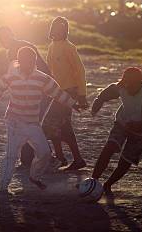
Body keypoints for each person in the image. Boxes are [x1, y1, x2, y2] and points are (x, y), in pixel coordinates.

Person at [0, 46, 80, 195]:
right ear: (19, 61)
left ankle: (34, 176)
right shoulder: (10, 77)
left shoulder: (42, 78)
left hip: (33, 124)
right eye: (26, 60)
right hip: (14, 122)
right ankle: (2, 189)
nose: (30, 63)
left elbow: (57, 93)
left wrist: (73, 104)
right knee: (11, 155)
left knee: (45, 153)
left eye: (32, 60)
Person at [90, 67, 142, 194]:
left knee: (126, 161)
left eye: (133, 85)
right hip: (122, 123)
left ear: (140, 83)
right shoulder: (120, 87)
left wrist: (140, 126)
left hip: (141, 130)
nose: (129, 88)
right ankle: (93, 180)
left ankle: (108, 184)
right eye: (127, 84)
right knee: (110, 147)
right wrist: (97, 104)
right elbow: (104, 95)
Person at [0, 26, 53, 168]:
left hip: (40, 88)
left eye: (5, 37)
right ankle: (42, 157)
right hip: (39, 87)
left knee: (28, 123)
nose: (3, 40)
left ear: (11, 35)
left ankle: (29, 160)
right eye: (1, 38)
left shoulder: (17, 49)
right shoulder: (16, 49)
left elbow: (33, 71)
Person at [44, 17, 87, 170]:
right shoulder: (52, 46)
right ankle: (65, 158)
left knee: (53, 124)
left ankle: (67, 158)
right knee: (55, 125)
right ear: (52, 29)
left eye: (62, 28)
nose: (59, 30)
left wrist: (82, 95)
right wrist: (46, 89)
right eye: (56, 27)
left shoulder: (69, 47)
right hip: (56, 92)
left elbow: (80, 71)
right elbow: (49, 71)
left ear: (66, 30)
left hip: (70, 92)